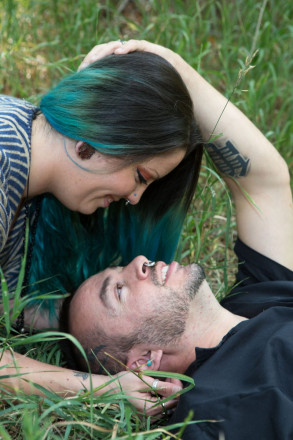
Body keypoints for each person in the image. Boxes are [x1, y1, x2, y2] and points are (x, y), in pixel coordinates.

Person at [59, 41, 293, 439]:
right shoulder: (216, 412)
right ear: (143, 364)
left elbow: (261, 181)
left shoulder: (264, 294)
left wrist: (171, 68)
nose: (137, 262)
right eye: (118, 291)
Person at [0, 47, 204, 415]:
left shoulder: (30, 177)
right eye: (140, 177)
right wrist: (101, 388)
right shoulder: (4, 160)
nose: (136, 198)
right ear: (96, 136)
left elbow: (18, 307)